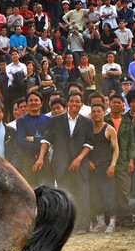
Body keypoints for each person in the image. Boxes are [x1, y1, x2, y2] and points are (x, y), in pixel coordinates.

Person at [36, 92, 94, 232]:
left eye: (78, 102)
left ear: (81, 104)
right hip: (61, 164)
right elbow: (46, 140)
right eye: (72, 101)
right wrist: (40, 158)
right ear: (68, 103)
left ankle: (83, 226)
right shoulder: (55, 120)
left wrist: (79, 159)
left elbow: (89, 144)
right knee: (65, 196)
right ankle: (68, 227)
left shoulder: (87, 122)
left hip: (80, 164)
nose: (75, 104)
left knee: (82, 194)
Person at [88, 103, 119, 233]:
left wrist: (112, 165)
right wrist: (88, 161)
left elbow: (116, 149)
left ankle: (112, 222)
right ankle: (100, 222)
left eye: (98, 111)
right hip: (92, 168)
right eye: (93, 111)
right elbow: (84, 147)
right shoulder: (88, 129)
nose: (96, 114)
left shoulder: (109, 129)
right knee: (95, 195)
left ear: (104, 112)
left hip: (106, 168)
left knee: (108, 195)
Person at [16, 91, 52, 186]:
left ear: (41, 103)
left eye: (36, 100)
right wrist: (41, 143)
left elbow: (49, 139)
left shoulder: (48, 120)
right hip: (28, 161)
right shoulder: (21, 121)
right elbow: (21, 141)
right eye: (30, 100)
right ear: (27, 104)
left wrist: (33, 139)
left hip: (45, 160)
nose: (33, 102)